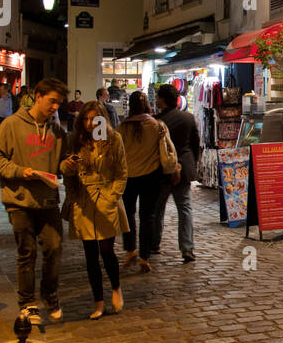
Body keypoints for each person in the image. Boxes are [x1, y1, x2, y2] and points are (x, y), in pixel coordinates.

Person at [0, 78, 68, 326]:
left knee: (54, 247)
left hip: (47, 200)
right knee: (27, 252)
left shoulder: (57, 131)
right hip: (18, 199)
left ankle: (50, 295)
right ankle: (27, 303)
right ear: (38, 95)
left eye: (59, 103)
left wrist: (69, 165)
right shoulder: (12, 125)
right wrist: (20, 171)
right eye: (52, 101)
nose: (55, 107)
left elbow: (61, 164)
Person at [61, 100, 127, 319]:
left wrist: (112, 196)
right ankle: (98, 302)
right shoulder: (75, 140)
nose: (90, 124)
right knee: (90, 255)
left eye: (94, 119)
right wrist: (68, 169)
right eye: (86, 119)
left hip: (106, 199)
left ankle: (116, 288)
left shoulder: (114, 139)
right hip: (83, 201)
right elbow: (65, 172)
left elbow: (121, 172)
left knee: (107, 250)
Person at [118, 90, 178, 273]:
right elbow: (167, 150)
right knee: (148, 217)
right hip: (152, 177)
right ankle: (145, 256)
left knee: (128, 214)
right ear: (147, 106)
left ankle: (130, 250)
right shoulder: (157, 125)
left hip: (128, 177)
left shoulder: (122, 128)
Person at [153, 83, 202, 263]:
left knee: (158, 208)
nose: (156, 99)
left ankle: (154, 243)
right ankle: (187, 248)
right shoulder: (188, 118)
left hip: (163, 170)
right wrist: (190, 164)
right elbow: (195, 144)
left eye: (158, 97)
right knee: (185, 208)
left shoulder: (157, 121)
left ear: (163, 100)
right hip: (184, 167)